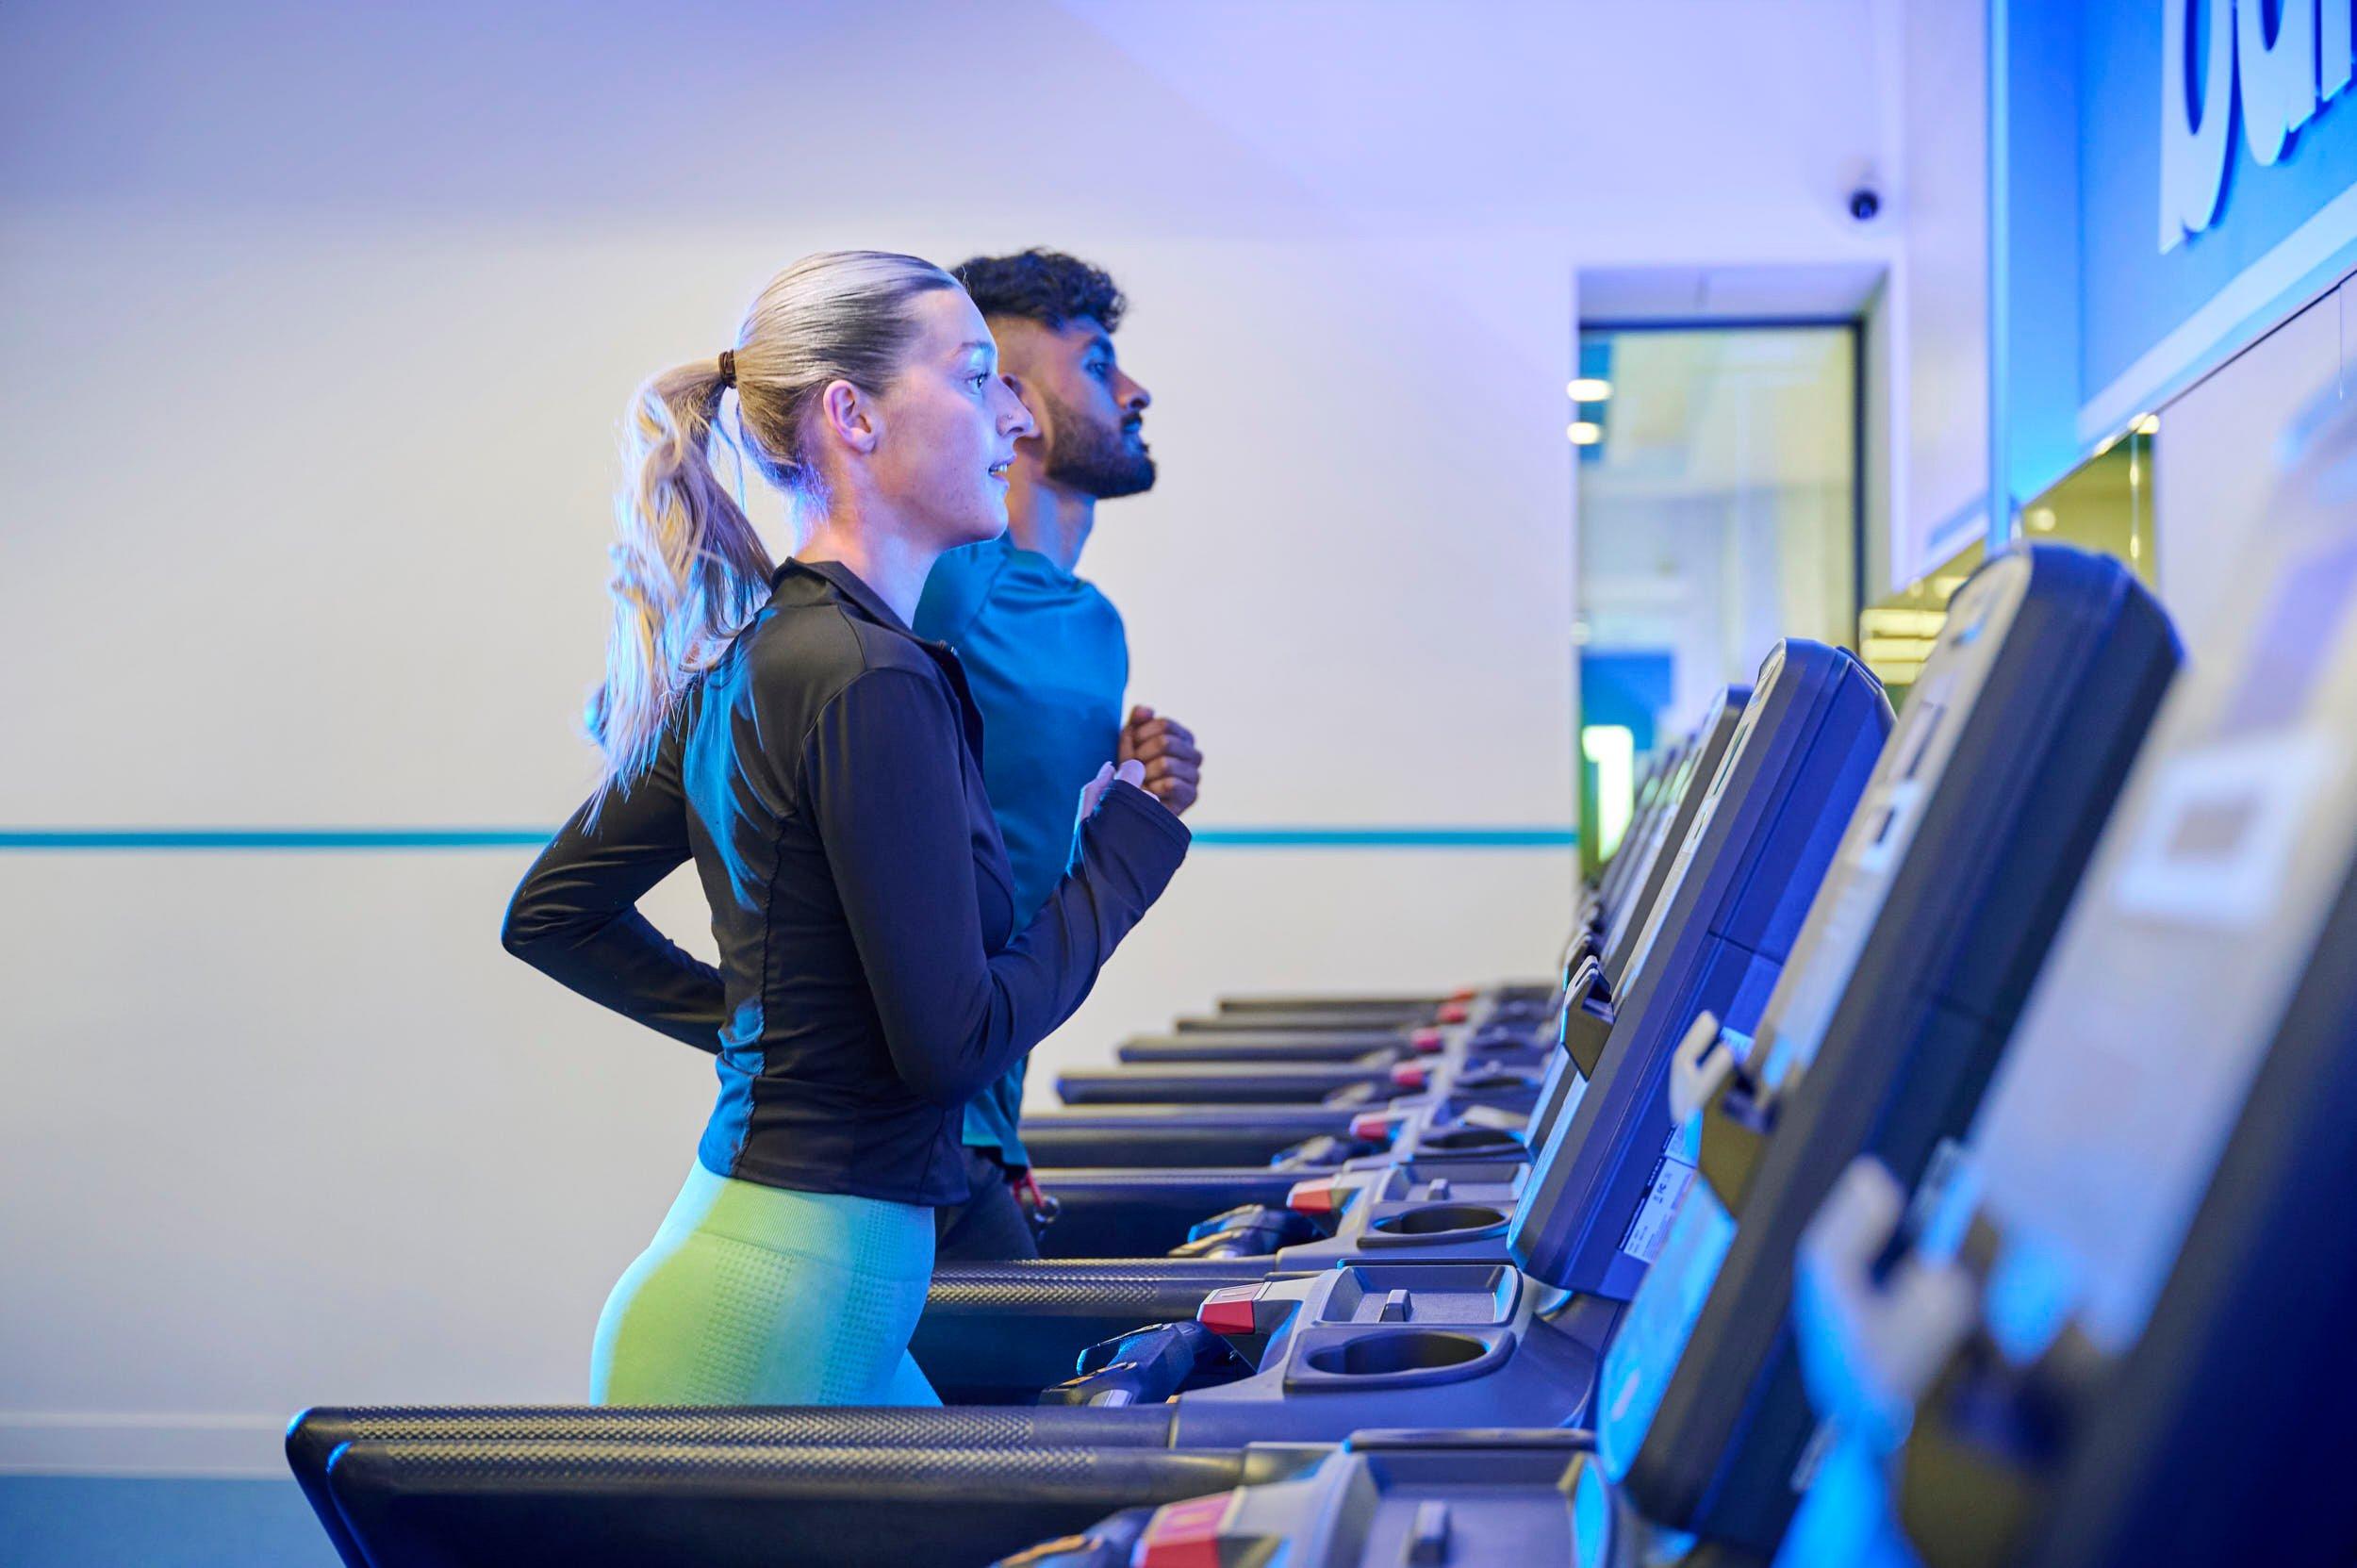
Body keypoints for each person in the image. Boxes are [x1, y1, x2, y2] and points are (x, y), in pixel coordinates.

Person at [499, 251, 1191, 1407]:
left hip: (800, 1293)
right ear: (853, 416)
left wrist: (778, 1039)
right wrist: (1120, 857)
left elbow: (554, 914)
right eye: (977, 379)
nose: (1008, 423)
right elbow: (954, 1045)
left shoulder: (775, 646)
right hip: (757, 1324)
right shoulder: (871, 678)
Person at [915, 250, 1204, 1261]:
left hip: (986, 1124)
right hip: (911, 1143)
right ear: (1017, 405)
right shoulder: (950, 581)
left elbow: (1012, 859)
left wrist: (1126, 802)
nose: (1134, 392)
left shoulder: (1090, 622)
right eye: (1098, 364)